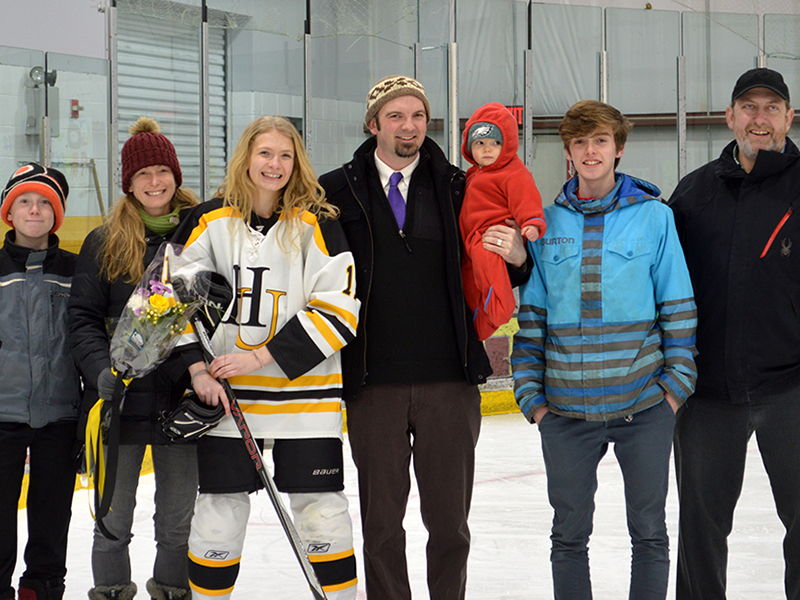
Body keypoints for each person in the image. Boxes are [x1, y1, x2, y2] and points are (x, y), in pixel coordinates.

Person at [318, 74, 528, 600]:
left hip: (449, 382)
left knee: (450, 525)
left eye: (417, 116)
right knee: (382, 527)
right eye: (396, 116)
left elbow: (504, 267)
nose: (409, 126)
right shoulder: (333, 191)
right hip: (373, 384)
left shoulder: (463, 186)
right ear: (373, 124)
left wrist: (520, 257)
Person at [511, 100, 698, 600]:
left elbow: (678, 307)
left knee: (650, 533)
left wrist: (674, 390)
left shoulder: (654, 218)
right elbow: (532, 318)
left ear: (618, 148)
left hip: (645, 407)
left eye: (600, 141)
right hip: (566, 412)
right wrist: (534, 401)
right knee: (569, 537)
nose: (590, 151)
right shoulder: (544, 225)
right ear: (568, 152)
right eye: (579, 142)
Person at [176, 116, 359, 600]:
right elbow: (169, 305)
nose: (274, 164)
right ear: (245, 158)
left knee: (321, 508)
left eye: (285, 155)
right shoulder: (208, 220)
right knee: (218, 509)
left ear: (296, 161)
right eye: (264, 153)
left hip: (307, 398)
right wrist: (197, 367)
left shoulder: (317, 224)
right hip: (227, 398)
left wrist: (260, 357)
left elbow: (341, 311)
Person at [669, 67, 800, 600]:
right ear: (730, 117)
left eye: (772, 107)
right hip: (708, 394)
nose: (760, 118)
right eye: (749, 107)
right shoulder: (694, 192)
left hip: (791, 388)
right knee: (701, 532)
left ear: (789, 117)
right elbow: (664, 286)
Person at [68, 117, 200, 600]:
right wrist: (101, 371)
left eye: (163, 171)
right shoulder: (103, 242)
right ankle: (111, 592)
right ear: (128, 182)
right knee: (112, 519)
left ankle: (172, 591)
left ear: (176, 176)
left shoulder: (201, 235)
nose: (155, 181)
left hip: (180, 403)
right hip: (118, 406)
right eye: (143, 174)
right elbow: (81, 318)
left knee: (176, 520)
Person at [0, 164, 79, 600]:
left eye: (46, 201)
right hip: (2, 416)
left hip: (60, 417)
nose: (35, 209)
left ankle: (42, 590)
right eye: (25, 201)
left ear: (58, 213)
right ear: (9, 213)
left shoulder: (76, 269)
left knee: (51, 519)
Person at [460, 101, 546, 340]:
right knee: (473, 280)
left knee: (491, 273)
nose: (488, 150)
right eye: (480, 143)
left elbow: (526, 198)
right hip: (472, 238)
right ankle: (479, 321)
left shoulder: (513, 172)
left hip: (492, 235)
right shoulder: (473, 174)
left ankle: (501, 311)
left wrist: (531, 223)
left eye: (495, 143)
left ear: (507, 145)